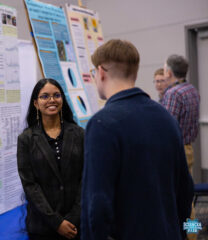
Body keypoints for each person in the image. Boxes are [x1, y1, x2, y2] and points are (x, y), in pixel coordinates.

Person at [81, 39, 194, 240]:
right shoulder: (165, 117)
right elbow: (185, 191)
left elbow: (97, 205)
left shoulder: (101, 124)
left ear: (100, 72)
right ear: (134, 72)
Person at [17, 78, 84, 240]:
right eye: (45, 96)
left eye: (56, 95)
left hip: (77, 225)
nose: (51, 100)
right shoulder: (26, 139)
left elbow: (87, 177)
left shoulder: (79, 134)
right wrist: (56, 222)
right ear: (35, 103)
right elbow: (30, 185)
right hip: (42, 226)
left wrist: (72, 218)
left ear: (62, 99)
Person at [161, 54, 200, 174]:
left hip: (175, 151)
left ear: (169, 73)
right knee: (187, 188)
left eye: (164, 70)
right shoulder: (192, 89)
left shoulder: (173, 93)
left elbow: (167, 128)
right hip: (188, 149)